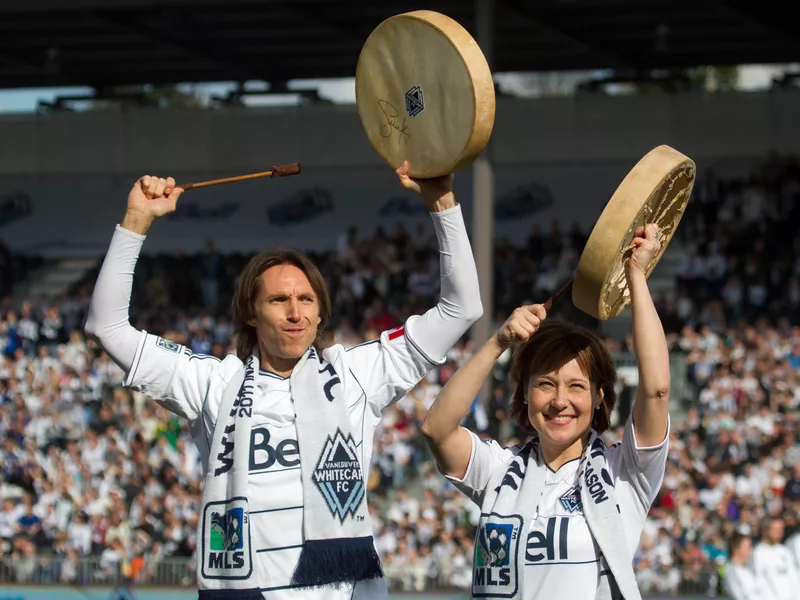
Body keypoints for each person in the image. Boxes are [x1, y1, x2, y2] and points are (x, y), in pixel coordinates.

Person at [84, 162, 482, 600]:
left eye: (306, 299)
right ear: (251, 313)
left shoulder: (357, 374)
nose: (295, 312)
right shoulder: (213, 383)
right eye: (279, 299)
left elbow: (460, 308)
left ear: (319, 312)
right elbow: (108, 327)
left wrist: (442, 201)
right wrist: (136, 222)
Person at [421, 224, 670, 600]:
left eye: (576, 386)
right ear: (524, 393)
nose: (559, 401)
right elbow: (437, 429)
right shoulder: (498, 470)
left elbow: (656, 390)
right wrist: (498, 342)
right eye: (545, 384)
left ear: (600, 396)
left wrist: (635, 275)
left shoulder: (626, 472)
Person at [751, 517, 800, 600]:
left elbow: (794, 577)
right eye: (776, 529)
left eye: (781, 529)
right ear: (764, 531)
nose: (780, 533)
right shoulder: (757, 554)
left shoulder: (785, 551)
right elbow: (757, 583)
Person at [722, 531, 774, 600]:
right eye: (748, 547)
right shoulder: (732, 572)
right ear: (736, 549)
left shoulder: (744, 569)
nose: (751, 550)